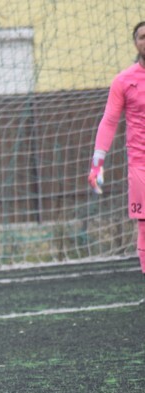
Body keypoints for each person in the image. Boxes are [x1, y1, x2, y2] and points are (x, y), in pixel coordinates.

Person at [88, 20, 145, 278]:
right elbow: (109, 121)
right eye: (142, 37)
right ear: (135, 43)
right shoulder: (123, 81)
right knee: (144, 225)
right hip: (140, 164)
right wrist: (97, 164)